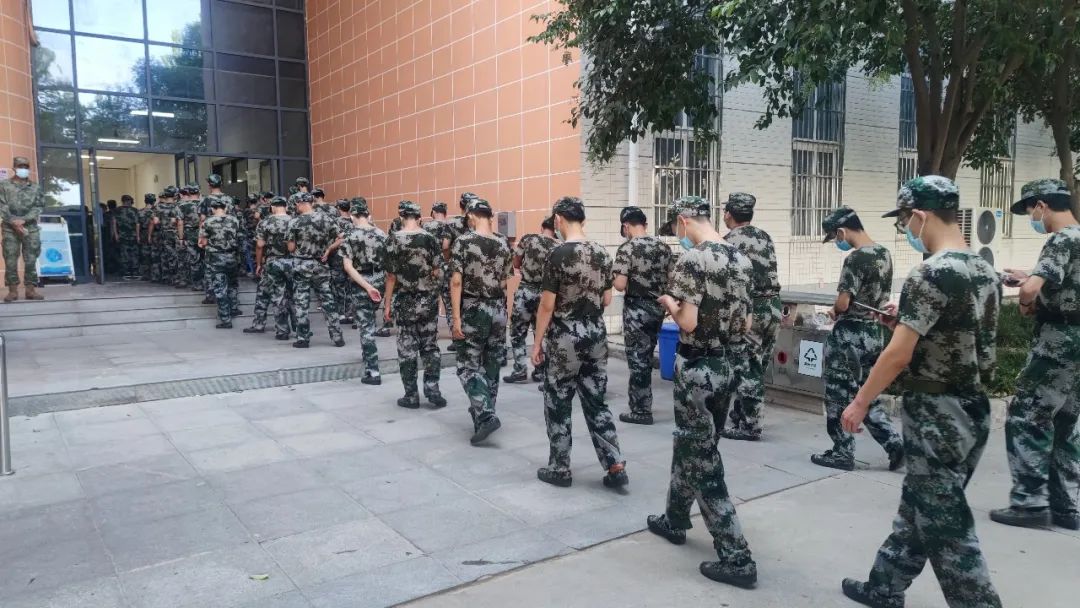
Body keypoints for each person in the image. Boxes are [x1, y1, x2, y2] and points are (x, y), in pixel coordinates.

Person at [839, 175, 1002, 608]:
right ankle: (884, 586)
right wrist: (905, 320)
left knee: (946, 526)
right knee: (921, 504)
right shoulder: (984, 269)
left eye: (904, 221)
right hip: (972, 405)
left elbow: (897, 355)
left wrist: (860, 401)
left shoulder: (930, 272)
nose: (905, 229)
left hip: (936, 412)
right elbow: (961, 334)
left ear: (920, 216)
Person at [647, 195, 758, 589]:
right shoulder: (742, 259)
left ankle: (737, 555)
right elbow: (746, 323)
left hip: (698, 368)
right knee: (694, 444)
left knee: (702, 457)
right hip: (730, 365)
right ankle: (675, 519)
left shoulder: (692, 260)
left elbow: (689, 323)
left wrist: (669, 303)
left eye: (676, 227)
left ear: (683, 220)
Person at [990, 178, 1080, 531]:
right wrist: (1029, 277)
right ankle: (1065, 506)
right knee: (1065, 422)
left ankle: (1029, 503)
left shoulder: (1060, 239)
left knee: (1027, 415)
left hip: (1058, 343)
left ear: (1042, 206)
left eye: (1030, 211)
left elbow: (1031, 290)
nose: (1032, 218)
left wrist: (1026, 299)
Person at [531, 196, 627, 488]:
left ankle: (560, 468)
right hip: (595, 334)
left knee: (558, 401)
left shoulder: (557, 254)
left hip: (565, 337)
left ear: (558, 219)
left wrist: (537, 343)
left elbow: (547, 305)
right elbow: (607, 299)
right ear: (582, 220)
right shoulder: (601, 252)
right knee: (596, 400)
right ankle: (614, 463)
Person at [812, 206, 904, 471]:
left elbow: (843, 302)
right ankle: (894, 444)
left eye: (835, 237)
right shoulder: (884, 253)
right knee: (867, 392)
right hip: (874, 332)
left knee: (838, 393)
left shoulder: (855, 258)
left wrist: (833, 310)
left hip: (849, 336)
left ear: (842, 231)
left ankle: (842, 452)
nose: (837, 242)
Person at [450, 198, 513, 444]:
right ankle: (486, 415)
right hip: (498, 308)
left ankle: (485, 415)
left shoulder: (463, 242)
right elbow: (505, 281)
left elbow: (456, 281)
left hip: (474, 308)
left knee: (467, 367)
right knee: (492, 364)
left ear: (472, 216)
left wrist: (456, 318)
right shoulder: (503, 242)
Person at [721, 192, 781, 441]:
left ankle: (750, 426)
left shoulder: (727, 242)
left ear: (728, 214)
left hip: (751, 310)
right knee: (758, 365)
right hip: (773, 307)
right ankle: (740, 414)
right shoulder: (764, 237)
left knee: (746, 368)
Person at [612, 206, 673, 425]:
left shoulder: (627, 249)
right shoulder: (663, 247)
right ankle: (642, 404)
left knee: (638, 359)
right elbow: (672, 279)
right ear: (645, 225)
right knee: (647, 355)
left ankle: (641, 410)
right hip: (658, 308)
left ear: (626, 226)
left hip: (636, 310)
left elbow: (620, 285)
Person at [384, 200, 446, 409]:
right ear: (420, 217)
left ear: (401, 217)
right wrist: (433, 293)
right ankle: (433, 390)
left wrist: (387, 304)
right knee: (430, 346)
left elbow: (391, 276)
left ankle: (411, 395)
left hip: (405, 301)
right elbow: (438, 271)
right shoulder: (430, 239)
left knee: (407, 348)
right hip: (428, 300)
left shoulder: (394, 239)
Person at [505, 216, 559, 384]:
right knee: (541, 331)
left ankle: (520, 369)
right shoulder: (558, 246)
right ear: (555, 229)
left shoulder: (528, 239)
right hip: (545, 293)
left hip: (526, 291)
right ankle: (540, 369)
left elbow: (515, 263)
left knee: (517, 331)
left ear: (542, 227)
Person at [287, 193, 345, 348]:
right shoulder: (326, 219)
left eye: (296, 204)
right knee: (328, 301)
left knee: (301, 302)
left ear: (300, 203)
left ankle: (303, 338)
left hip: (302, 265)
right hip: (321, 265)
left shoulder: (295, 222)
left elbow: (291, 248)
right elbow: (341, 238)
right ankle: (337, 337)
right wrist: (328, 250)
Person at [341, 197, 387, 385]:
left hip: (362, 282)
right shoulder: (381, 234)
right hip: (380, 280)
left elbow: (348, 267)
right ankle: (368, 353)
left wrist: (367, 287)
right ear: (369, 216)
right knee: (371, 321)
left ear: (352, 216)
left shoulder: (350, 235)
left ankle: (373, 372)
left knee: (366, 327)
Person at [245, 196, 295, 340]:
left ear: (272, 207)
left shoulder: (265, 222)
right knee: (293, 294)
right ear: (286, 206)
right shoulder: (295, 221)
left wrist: (259, 264)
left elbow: (260, 245)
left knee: (267, 293)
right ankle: (299, 328)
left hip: (272, 262)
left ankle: (273, 328)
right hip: (293, 262)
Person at [0, 156, 45, 301]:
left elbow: (39, 206)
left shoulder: (36, 187)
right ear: (14, 168)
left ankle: (30, 290)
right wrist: (13, 221)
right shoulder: (3, 185)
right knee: (10, 259)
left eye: (26, 167)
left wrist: (23, 220)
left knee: (31, 259)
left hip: (30, 228)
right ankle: (12, 291)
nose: (24, 169)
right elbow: (1, 205)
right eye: (21, 166)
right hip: (9, 228)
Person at [198, 199, 241, 328]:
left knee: (220, 289)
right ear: (225, 208)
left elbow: (203, 242)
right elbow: (240, 237)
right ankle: (234, 308)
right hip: (232, 257)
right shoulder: (234, 220)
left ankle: (225, 319)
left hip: (216, 259)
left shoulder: (208, 222)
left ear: (212, 209)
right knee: (232, 284)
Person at [425, 201, 454, 334]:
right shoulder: (450, 226)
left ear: (434, 212)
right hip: (446, 267)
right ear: (445, 213)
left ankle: (430, 332)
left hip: (430, 268)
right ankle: (454, 331)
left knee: (431, 301)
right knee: (449, 302)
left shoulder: (425, 226)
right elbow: (446, 246)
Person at [149, 185, 180, 287]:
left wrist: (163, 222)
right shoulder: (177, 206)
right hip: (176, 233)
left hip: (164, 233)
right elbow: (178, 221)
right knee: (176, 255)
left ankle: (166, 277)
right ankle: (176, 278)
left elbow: (155, 221)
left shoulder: (158, 207)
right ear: (175, 195)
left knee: (164, 254)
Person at [175, 185, 203, 290]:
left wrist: (181, 238)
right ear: (198, 192)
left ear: (189, 193)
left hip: (190, 235)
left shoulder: (182, 205)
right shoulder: (205, 203)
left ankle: (197, 284)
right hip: (204, 234)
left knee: (193, 259)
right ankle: (207, 283)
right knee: (205, 259)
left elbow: (180, 223)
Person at [113, 194, 141, 280]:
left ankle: (126, 272)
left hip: (122, 235)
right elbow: (137, 224)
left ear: (122, 201)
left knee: (124, 254)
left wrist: (116, 234)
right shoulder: (135, 210)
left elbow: (114, 223)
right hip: (133, 235)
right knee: (134, 254)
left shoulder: (117, 210)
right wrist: (138, 236)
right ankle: (135, 272)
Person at [138, 194, 156, 281]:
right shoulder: (155, 211)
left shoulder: (140, 212)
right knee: (155, 254)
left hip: (143, 233)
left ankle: (145, 274)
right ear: (154, 201)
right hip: (155, 234)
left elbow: (138, 225)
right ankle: (155, 274)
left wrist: (138, 236)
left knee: (145, 254)